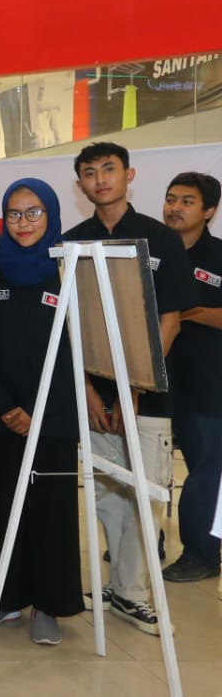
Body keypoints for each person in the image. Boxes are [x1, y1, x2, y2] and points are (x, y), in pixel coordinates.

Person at [63, 142, 193, 636]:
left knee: (145, 493)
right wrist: (90, 390)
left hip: (148, 394)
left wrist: (132, 386)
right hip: (93, 395)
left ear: (128, 175)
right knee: (106, 494)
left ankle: (134, 593)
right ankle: (120, 586)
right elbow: (70, 325)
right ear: (80, 184)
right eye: (89, 172)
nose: (100, 179)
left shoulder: (161, 239)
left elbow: (170, 321)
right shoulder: (73, 241)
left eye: (108, 169)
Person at [0, 178, 83, 646]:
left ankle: (48, 606)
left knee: (51, 513)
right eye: (14, 214)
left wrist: (37, 410)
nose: (23, 223)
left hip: (53, 416)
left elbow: (77, 353)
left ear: (51, 215)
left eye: (34, 212)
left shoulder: (68, 270)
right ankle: (4, 598)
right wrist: (6, 406)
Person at [161, 172, 222, 583]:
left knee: (203, 470)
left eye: (187, 201)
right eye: (171, 199)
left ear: (209, 211)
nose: (175, 208)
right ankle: (143, 542)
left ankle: (201, 554)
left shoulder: (218, 256)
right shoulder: (152, 249)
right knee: (145, 467)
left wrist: (183, 311)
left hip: (206, 382)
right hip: (154, 380)